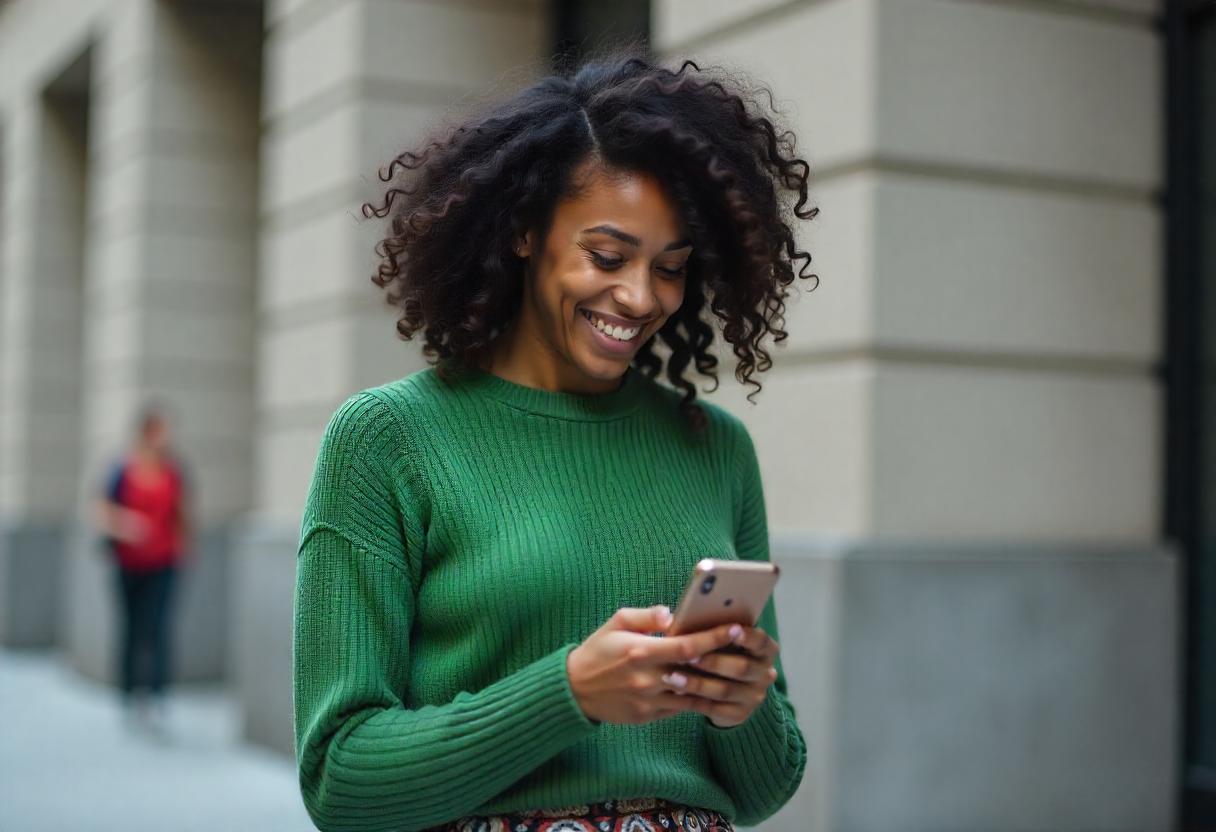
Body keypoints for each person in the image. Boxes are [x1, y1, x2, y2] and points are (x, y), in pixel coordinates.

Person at [293, 50, 818, 832]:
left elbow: (765, 790)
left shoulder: (715, 447)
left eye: (670, 268)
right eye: (607, 257)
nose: (640, 298)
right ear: (524, 233)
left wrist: (739, 708)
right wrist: (568, 694)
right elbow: (340, 778)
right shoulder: (388, 441)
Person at [97, 404, 193, 732]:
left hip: (164, 561)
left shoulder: (174, 471)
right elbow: (103, 509)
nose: (165, 437)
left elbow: (183, 514)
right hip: (129, 562)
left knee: (158, 627)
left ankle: (157, 695)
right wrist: (126, 525)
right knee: (131, 627)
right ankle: (127, 694)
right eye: (159, 429)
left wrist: (184, 549)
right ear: (146, 432)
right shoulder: (123, 469)